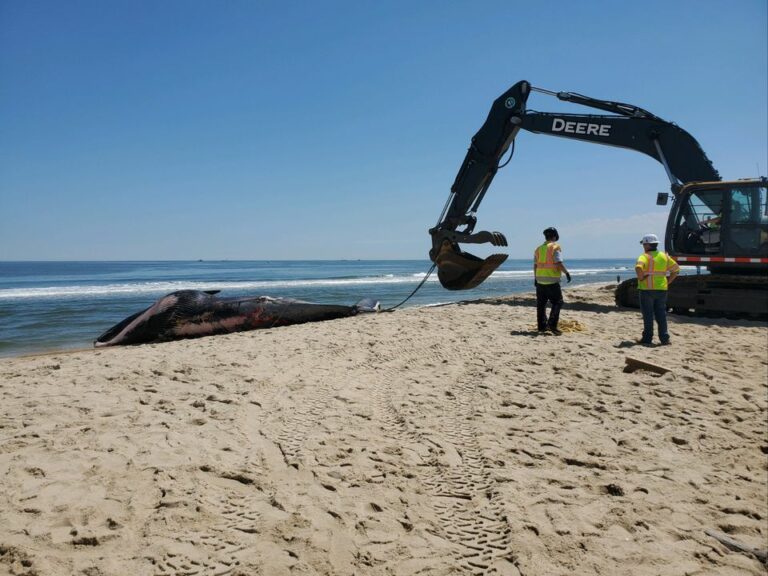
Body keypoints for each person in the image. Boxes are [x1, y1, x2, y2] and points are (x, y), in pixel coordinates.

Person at [635, 233, 680, 345]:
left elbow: (638, 267)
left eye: (644, 244)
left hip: (647, 290)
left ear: (647, 245)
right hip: (661, 289)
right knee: (661, 314)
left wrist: (641, 278)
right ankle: (664, 339)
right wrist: (669, 281)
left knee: (648, 315)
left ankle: (647, 339)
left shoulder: (644, 256)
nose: (643, 246)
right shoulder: (664, 256)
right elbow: (676, 269)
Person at [533, 227, 571, 335]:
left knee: (541, 305)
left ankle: (542, 326)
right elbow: (558, 263)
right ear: (555, 236)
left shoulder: (538, 249)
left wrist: (535, 278)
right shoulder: (555, 247)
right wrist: (567, 273)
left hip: (540, 281)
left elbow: (535, 266)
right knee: (558, 302)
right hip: (552, 282)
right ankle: (552, 325)